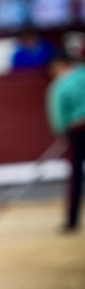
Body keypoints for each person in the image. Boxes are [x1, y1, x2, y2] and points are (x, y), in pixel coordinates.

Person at [46, 39, 85, 234]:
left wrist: (63, 133)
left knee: (76, 175)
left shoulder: (61, 84)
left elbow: (59, 115)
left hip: (78, 131)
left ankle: (72, 221)